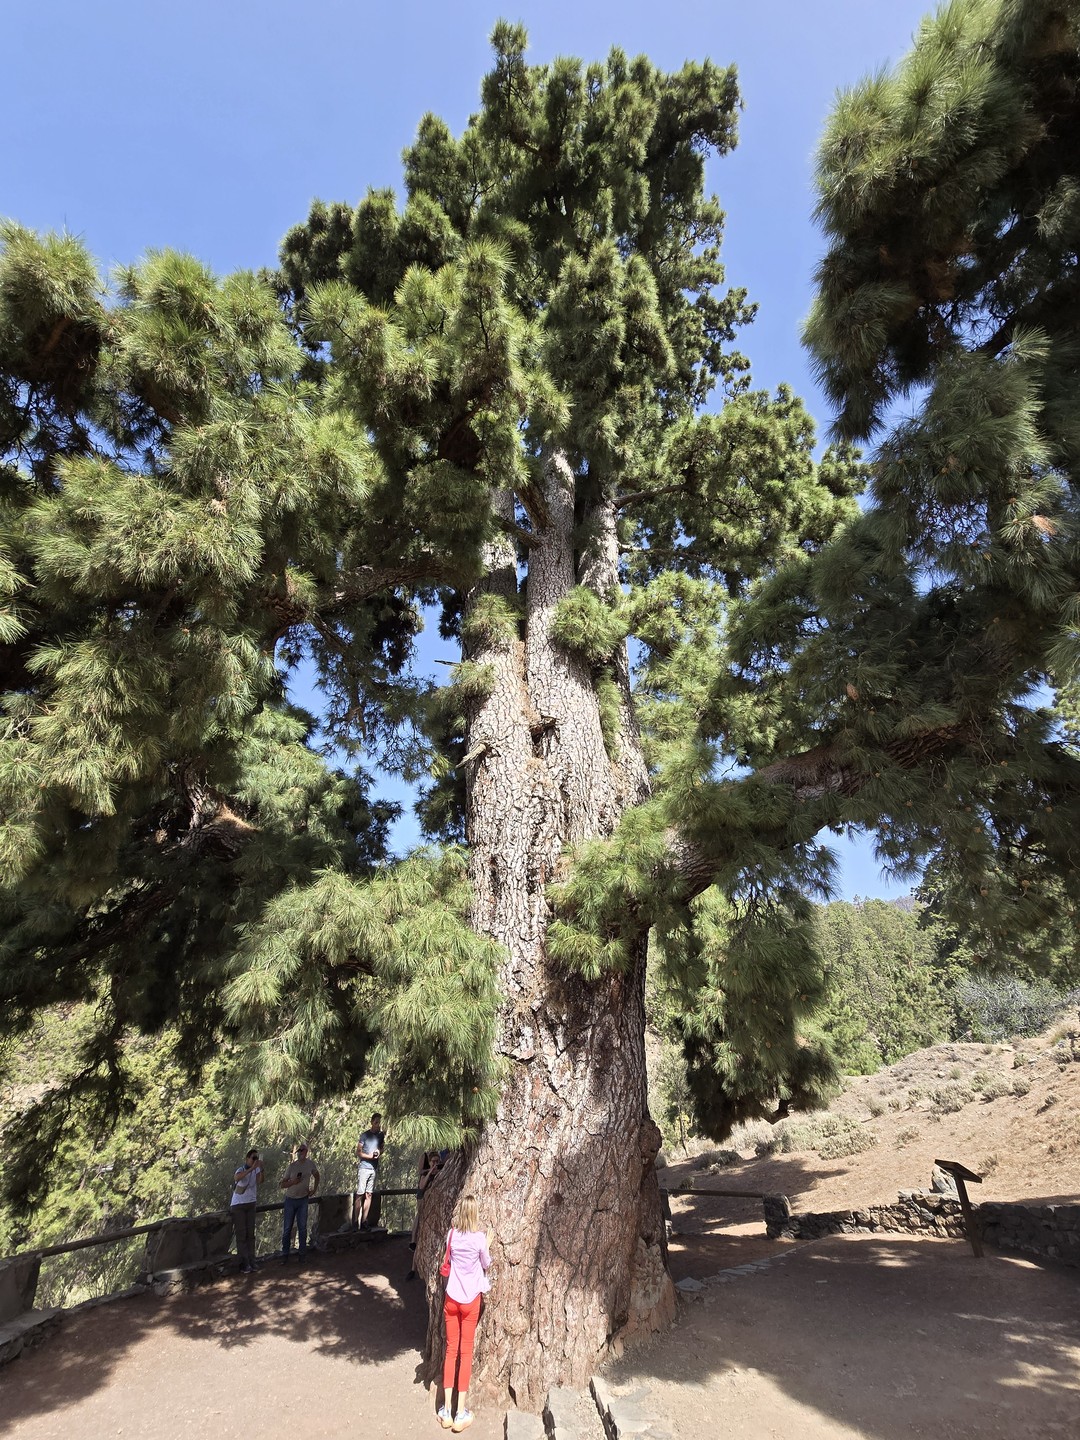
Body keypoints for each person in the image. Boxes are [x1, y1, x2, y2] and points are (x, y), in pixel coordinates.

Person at [437, 1192, 491, 1434]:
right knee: (465, 1353)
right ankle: (461, 1413)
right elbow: (486, 1264)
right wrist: (487, 1245)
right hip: (471, 1300)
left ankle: (446, 1410)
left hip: (452, 1299)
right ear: (476, 1214)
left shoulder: (452, 1235)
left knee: (451, 1351)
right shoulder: (480, 1238)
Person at [406, 1148, 446, 1280]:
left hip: (432, 1210)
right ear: (429, 1162)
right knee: (419, 1235)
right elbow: (422, 1186)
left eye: (437, 1161)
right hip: (423, 1206)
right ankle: (412, 1268)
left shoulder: (441, 1175)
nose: (435, 1163)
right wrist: (430, 1172)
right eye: (433, 1161)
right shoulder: (425, 1175)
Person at [279, 1141, 320, 1262]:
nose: (300, 1153)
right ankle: (285, 1255)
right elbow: (282, 1184)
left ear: (306, 1152)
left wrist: (314, 1189)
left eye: (302, 1150)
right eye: (299, 1151)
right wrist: (292, 1182)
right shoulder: (292, 1166)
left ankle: (302, 1255)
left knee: (302, 1228)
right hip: (290, 1200)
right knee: (287, 1228)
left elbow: (317, 1175)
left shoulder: (310, 1165)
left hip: (303, 1200)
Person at [230, 1148, 263, 1274]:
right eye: (253, 1158)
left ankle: (252, 1260)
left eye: (256, 1158)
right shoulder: (242, 1169)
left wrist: (261, 1168)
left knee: (250, 1234)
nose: (255, 1160)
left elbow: (260, 1181)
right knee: (242, 1234)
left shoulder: (257, 1170)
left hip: (251, 1203)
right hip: (239, 1205)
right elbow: (237, 1177)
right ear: (247, 1159)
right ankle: (244, 1263)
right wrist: (251, 1169)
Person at [353, 1110, 386, 1230]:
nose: (378, 1124)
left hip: (373, 1168)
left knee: (369, 1194)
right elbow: (358, 1152)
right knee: (360, 1194)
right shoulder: (365, 1135)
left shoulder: (381, 1135)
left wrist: (379, 1152)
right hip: (364, 1167)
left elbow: (382, 1148)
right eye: (376, 1122)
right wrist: (370, 1156)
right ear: (372, 1122)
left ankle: (364, 1221)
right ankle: (355, 1221)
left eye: (379, 1122)